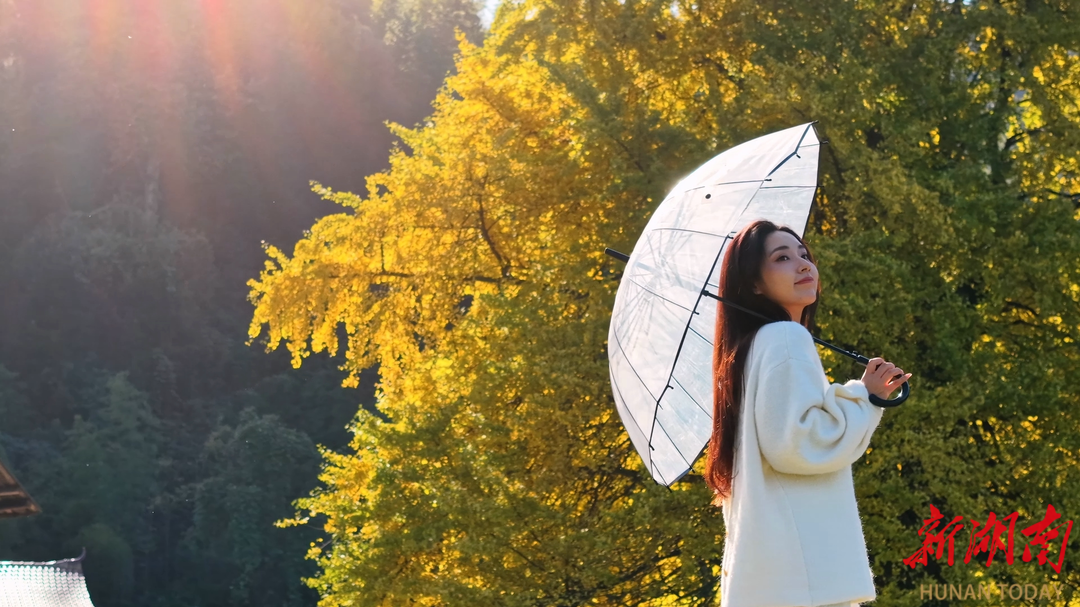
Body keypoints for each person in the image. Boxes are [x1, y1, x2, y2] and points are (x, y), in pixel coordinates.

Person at [705, 220, 911, 607]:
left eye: (803, 254)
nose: (803, 265)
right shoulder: (785, 337)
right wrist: (864, 396)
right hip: (805, 579)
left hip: (778, 581)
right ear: (753, 284)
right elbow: (799, 442)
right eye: (782, 257)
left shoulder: (749, 350)